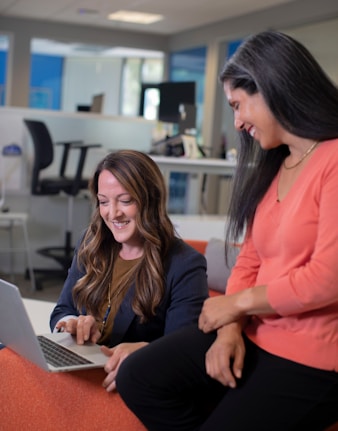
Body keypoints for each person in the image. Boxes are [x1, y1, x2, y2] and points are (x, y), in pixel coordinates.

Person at [115, 31, 338, 431]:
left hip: (312, 357)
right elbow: (250, 259)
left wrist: (236, 306)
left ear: (272, 87)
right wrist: (230, 330)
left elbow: (328, 279)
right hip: (254, 335)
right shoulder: (278, 164)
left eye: (238, 105)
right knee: (139, 376)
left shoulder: (333, 161)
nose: (236, 122)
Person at [50, 149, 208, 391]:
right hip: (78, 369)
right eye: (104, 202)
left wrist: (145, 351)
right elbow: (63, 309)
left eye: (125, 201)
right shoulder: (91, 242)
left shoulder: (184, 264)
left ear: (151, 200)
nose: (113, 213)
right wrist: (70, 323)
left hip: (126, 381)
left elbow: (185, 351)